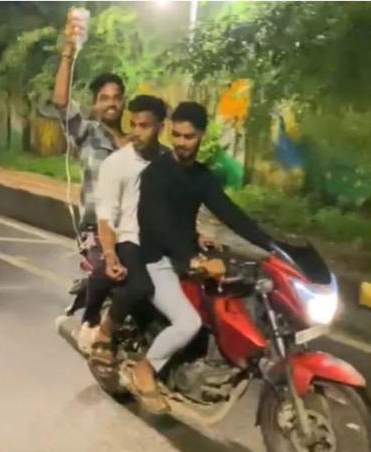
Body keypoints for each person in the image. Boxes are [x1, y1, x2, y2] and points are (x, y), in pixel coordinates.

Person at [133, 101, 274, 412]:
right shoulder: (156, 174)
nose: (182, 143)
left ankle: (209, 365)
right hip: (157, 260)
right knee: (188, 322)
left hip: (185, 257)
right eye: (177, 135)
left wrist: (272, 246)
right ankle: (144, 369)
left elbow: (230, 213)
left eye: (189, 136)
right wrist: (192, 259)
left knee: (231, 302)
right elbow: (158, 225)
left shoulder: (201, 177)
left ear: (201, 136)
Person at [49, 11, 130, 353]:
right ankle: (90, 321)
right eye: (104, 98)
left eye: (116, 97)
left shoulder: (136, 143)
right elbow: (61, 102)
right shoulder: (87, 134)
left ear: (123, 101)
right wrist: (69, 49)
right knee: (104, 268)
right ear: (96, 104)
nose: (111, 103)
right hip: (95, 228)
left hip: (131, 228)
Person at [84, 95, 168, 405]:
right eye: (133, 124)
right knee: (141, 286)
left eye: (144, 126)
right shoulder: (117, 164)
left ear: (161, 127)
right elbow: (106, 216)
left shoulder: (169, 162)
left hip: (163, 245)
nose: (136, 132)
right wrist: (109, 254)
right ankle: (105, 332)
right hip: (128, 240)